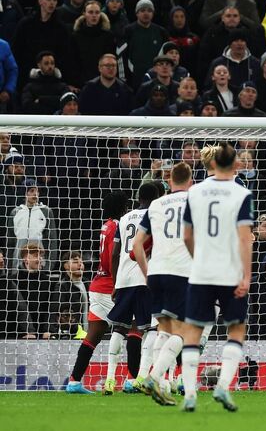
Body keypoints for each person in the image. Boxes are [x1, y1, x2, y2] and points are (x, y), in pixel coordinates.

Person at [180, 143, 253, 412]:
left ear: (212, 164)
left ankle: (189, 394)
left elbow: (187, 235)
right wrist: (247, 275)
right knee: (235, 329)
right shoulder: (241, 193)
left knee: (193, 331)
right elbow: (245, 239)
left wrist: (196, 257)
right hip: (230, 270)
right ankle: (222, 386)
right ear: (235, 164)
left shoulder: (195, 191)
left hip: (201, 271)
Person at [131, 163, 194, 405]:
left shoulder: (156, 204)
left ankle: (160, 384)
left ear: (169, 181)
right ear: (190, 181)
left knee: (164, 329)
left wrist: (147, 274)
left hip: (156, 273)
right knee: (185, 332)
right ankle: (154, 377)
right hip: (182, 272)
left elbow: (137, 245)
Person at [65, 190, 129, 394]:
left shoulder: (105, 225)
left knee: (93, 336)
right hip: (110, 286)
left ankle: (74, 381)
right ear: (122, 207)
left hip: (97, 285)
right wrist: (119, 283)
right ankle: (134, 379)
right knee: (138, 327)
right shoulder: (117, 226)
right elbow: (113, 256)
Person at [102, 182, 161, 395]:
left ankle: (109, 380)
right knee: (152, 328)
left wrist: (116, 281)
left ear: (138, 198)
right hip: (146, 278)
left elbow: (115, 253)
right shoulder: (156, 216)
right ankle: (142, 377)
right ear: (155, 197)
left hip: (124, 280)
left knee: (119, 328)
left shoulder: (124, 219)